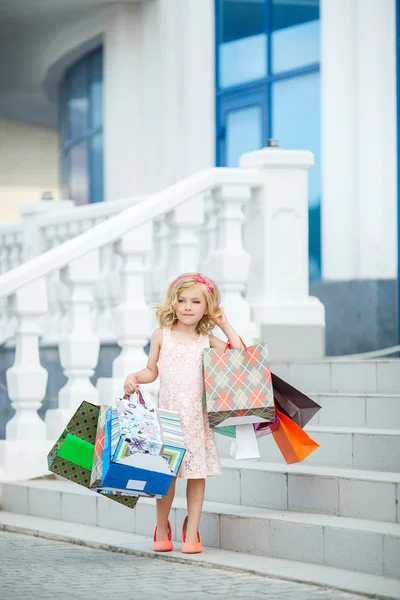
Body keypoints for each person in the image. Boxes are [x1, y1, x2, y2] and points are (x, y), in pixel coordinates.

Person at [123, 272, 242, 554]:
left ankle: (191, 531)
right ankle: (162, 526)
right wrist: (135, 376)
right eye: (182, 300)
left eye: (196, 301)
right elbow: (152, 370)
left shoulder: (206, 340)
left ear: (207, 307)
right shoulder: (161, 336)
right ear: (173, 303)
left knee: (196, 475)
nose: (188, 306)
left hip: (196, 420)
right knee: (166, 476)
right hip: (167, 420)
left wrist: (224, 324)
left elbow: (239, 355)